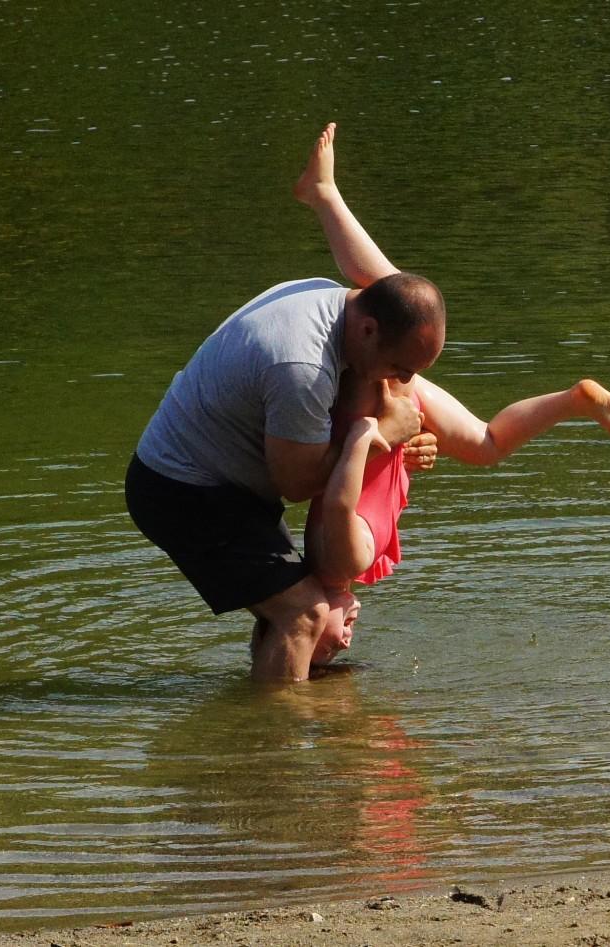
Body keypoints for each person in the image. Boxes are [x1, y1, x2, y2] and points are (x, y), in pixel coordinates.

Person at [294, 123, 610, 667]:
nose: (345, 638)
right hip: (385, 429)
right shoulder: (345, 566)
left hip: (371, 420)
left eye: (325, 648)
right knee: (486, 441)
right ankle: (573, 399)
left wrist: (376, 434)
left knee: (392, 301)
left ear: (307, 617)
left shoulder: (334, 565)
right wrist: (399, 450)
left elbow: (341, 494)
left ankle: (324, 195)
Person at [125, 188, 447, 683]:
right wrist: (382, 432)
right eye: (397, 367)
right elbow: (297, 482)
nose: (400, 382)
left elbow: (387, 281)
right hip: (183, 490)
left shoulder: (335, 300)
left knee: (310, 616)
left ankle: (262, 717)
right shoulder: (301, 365)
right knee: (304, 614)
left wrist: (400, 442)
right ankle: (276, 748)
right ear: (367, 331)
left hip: (220, 485)